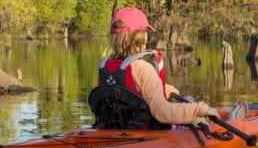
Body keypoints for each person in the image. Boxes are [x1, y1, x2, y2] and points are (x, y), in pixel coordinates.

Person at [91, 7, 220, 129]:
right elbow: (162, 112)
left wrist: (162, 88)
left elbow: (125, 92)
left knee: (188, 101)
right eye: (145, 31)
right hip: (144, 134)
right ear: (140, 37)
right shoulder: (142, 68)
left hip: (116, 130)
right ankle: (221, 121)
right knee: (197, 116)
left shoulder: (104, 66)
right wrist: (202, 109)